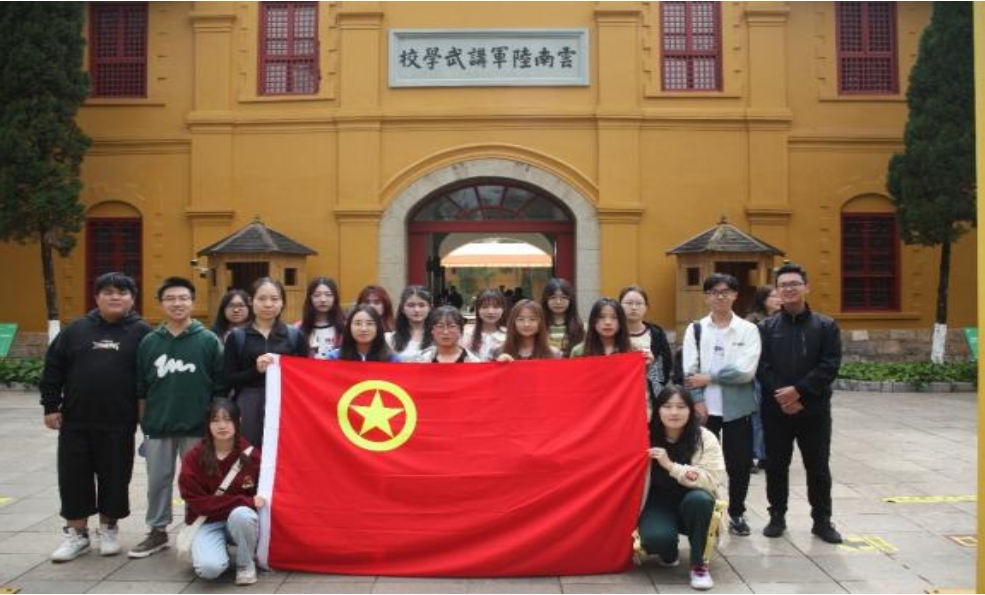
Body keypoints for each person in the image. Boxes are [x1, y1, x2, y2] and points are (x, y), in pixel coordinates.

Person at [40, 272, 152, 562]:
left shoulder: (142, 332)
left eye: (122, 292)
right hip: (75, 421)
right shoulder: (76, 329)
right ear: (97, 297)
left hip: (119, 423)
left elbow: (152, 377)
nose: (115, 297)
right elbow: (53, 368)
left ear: (132, 298)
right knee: (73, 479)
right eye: (108, 292)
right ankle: (76, 535)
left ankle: (108, 529)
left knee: (115, 478)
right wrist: (50, 406)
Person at [129, 277, 227, 559]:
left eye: (183, 298)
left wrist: (214, 425)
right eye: (170, 298)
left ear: (192, 302)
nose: (177, 303)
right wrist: (144, 424)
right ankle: (157, 530)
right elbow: (141, 388)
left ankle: (197, 529)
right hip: (158, 426)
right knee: (157, 481)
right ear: (161, 304)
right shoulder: (150, 342)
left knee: (197, 481)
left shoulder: (208, 340)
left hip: (197, 427)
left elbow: (220, 387)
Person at [757, 263, 843, 543]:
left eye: (794, 284)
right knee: (776, 465)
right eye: (783, 285)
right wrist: (783, 396)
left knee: (817, 466)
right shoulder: (765, 328)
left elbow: (829, 365)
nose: (789, 289)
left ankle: (822, 520)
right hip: (776, 410)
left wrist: (799, 392)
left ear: (806, 287)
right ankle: (776, 516)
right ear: (777, 291)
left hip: (813, 410)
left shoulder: (826, 326)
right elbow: (762, 366)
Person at [681, 273, 761, 538]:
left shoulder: (748, 330)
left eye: (726, 292)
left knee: (739, 463)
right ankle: (705, 511)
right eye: (714, 292)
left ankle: (737, 512)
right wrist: (697, 399)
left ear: (735, 295)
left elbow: (745, 372)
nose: (720, 296)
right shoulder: (696, 329)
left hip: (737, 409)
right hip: (704, 410)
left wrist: (710, 377)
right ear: (706, 297)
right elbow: (689, 370)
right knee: (702, 461)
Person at [638, 385, 724, 591]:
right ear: (657, 409)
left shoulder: (704, 437)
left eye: (681, 406)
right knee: (656, 539)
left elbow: (711, 479)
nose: (674, 412)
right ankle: (669, 551)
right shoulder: (645, 435)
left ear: (691, 410)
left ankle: (699, 565)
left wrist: (670, 466)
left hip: (693, 502)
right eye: (667, 406)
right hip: (658, 502)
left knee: (701, 500)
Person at [178, 398, 264, 585]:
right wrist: (246, 501)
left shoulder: (253, 456)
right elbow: (198, 503)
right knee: (209, 569)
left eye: (227, 419)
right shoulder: (194, 457)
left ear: (238, 421)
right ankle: (214, 550)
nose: (222, 426)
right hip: (207, 522)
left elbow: (262, 498)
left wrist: (246, 505)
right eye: (215, 420)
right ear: (208, 424)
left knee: (243, 515)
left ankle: (245, 564)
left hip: (240, 523)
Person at [225, 277, 307, 449]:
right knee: (249, 452)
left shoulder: (295, 335)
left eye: (274, 299)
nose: (268, 304)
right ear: (251, 301)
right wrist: (255, 370)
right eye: (262, 298)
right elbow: (228, 378)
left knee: (283, 451)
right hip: (249, 402)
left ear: (282, 302)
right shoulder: (237, 336)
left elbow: (305, 377)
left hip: (285, 403)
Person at [745, 285, 781, 474]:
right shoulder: (753, 320)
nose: (778, 299)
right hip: (757, 373)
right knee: (756, 416)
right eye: (773, 296)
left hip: (778, 374)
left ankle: (767, 455)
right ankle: (752, 455)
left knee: (773, 416)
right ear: (763, 299)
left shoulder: (784, 318)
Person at [620, 285, 674, 391]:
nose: (634, 307)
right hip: (620, 394)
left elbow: (665, 366)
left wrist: (651, 366)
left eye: (639, 303)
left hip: (649, 394)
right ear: (619, 306)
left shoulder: (656, 333)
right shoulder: (613, 333)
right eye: (629, 303)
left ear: (646, 307)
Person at [327, 305, 401, 362]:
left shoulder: (392, 359)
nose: (363, 329)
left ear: (378, 328)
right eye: (358, 323)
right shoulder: (334, 358)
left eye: (369, 323)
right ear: (349, 327)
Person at [494, 299, 562, 361]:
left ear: (541, 323)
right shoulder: (499, 352)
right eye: (521, 319)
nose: (526, 324)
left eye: (532, 319)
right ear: (513, 322)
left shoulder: (554, 354)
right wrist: (499, 365)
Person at [297, 277, 345, 359]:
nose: (323, 299)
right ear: (310, 298)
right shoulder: (298, 328)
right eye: (317, 295)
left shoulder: (346, 327)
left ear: (335, 298)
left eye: (328, 295)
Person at [414, 306, 481, 363]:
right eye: (440, 326)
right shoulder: (420, 360)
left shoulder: (474, 362)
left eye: (452, 326)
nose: (445, 332)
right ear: (432, 330)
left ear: (460, 330)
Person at [385, 286, 433, 360]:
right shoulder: (389, 339)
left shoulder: (439, 337)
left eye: (422, 305)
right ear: (402, 308)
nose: (417, 310)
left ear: (430, 308)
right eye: (411, 305)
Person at [540, 278, 584, 357]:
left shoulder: (580, 326)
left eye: (563, 297)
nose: (558, 302)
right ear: (545, 300)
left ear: (571, 300)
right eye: (553, 297)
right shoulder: (538, 325)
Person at [463, 287, 507, 361]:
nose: (490, 311)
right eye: (485, 307)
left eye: (496, 307)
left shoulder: (509, 336)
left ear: (503, 309)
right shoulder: (466, 335)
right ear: (477, 309)